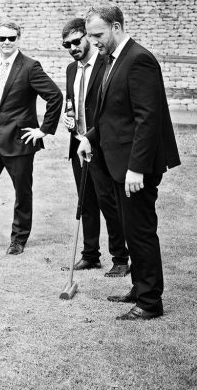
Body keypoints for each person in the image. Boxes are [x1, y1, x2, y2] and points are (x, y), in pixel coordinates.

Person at [77, 4, 180, 320]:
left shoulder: (139, 60)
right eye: (91, 35)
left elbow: (147, 119)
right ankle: (139, 287)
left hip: (137, 167)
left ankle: (150, 302)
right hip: (118, 163)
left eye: (98, 34)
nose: (93, 41)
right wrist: (88, 138)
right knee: (131, 229)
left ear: (117, 27)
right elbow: (112, 114)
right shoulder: (113, 59)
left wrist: (136, 167)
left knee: (141, 230)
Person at [0, 21, 63, 255]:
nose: (6, 42)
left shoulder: (30, 67)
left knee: (22, 192)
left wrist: (44, 130)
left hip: (20, 141)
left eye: (11, 38)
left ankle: (18, 239)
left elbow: (55, 96)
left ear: (19, 38)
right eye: (2, 38)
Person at [60, 17, 129, 277]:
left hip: (101, 145)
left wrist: (91, 135)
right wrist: (69, 119)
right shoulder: (70, 69)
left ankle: (121, 258)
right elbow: (72, 102)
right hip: (78, 145)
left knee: (108, 202)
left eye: (77, 41)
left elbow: (109, 111)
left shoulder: (106, 64)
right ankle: (90, 255)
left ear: (88, 37)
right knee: (85, 202)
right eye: (66, 44)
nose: (72, 47)